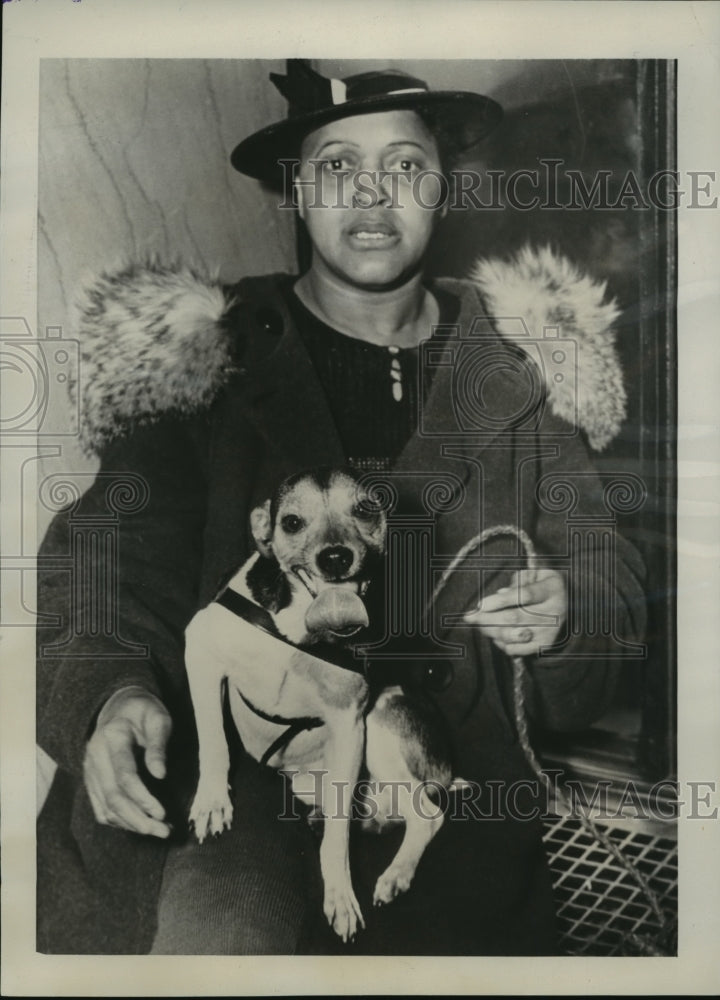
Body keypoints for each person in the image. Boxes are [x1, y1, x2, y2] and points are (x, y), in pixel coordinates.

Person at [36, 60, 646, 955]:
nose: (371, 194)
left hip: (427, 795)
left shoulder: (518, 367)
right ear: (295, 195)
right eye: (335, 169)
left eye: (404, 165)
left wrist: (569, 611)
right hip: (235, 789)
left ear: (442, 186)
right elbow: (107, 562)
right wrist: (115, 694)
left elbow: (607, 568)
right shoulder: (210, 356)